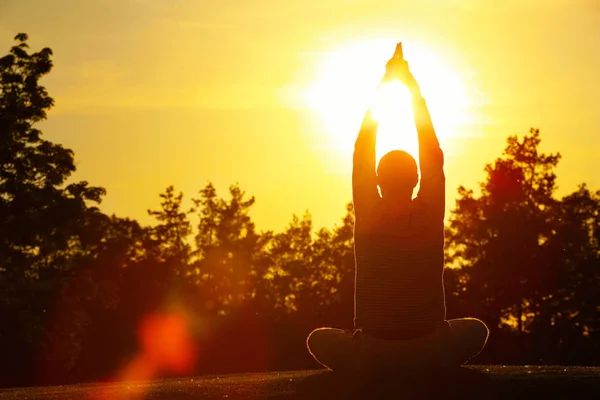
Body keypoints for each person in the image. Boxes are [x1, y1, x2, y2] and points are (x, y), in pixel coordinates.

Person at [306, 43, 489, 373]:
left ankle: (376, 363)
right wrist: (410, 86)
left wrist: (384, 85)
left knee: (318, 338)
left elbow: (362, 146)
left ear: (376, 180)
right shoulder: (429, 213)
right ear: (417, 178)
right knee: (477, 329)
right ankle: (422, 362)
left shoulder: (368, 215)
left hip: (372, 351)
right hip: (429, 348)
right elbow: (431, 148)